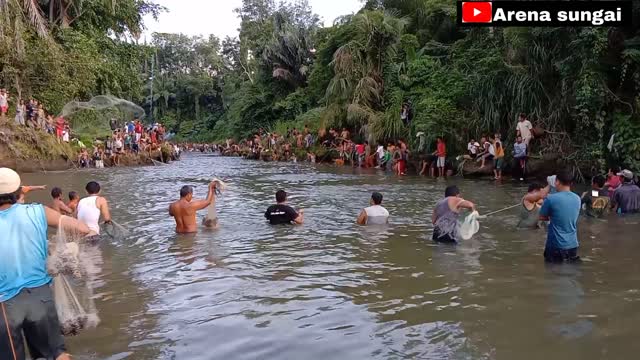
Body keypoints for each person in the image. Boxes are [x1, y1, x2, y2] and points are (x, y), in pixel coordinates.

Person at [0, 167, 92, 360]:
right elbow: (83, 229)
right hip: (41, 296)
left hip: (5, 304)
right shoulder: (38, 211)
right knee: (56, 354)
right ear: (18, 192)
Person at [539, 171, 581, 263]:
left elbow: (542, 217)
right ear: (571, 183)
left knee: (552, 273)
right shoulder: (577, 198)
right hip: (573, 244)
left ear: (557, 182)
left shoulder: (551, 199)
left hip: (556, 245)